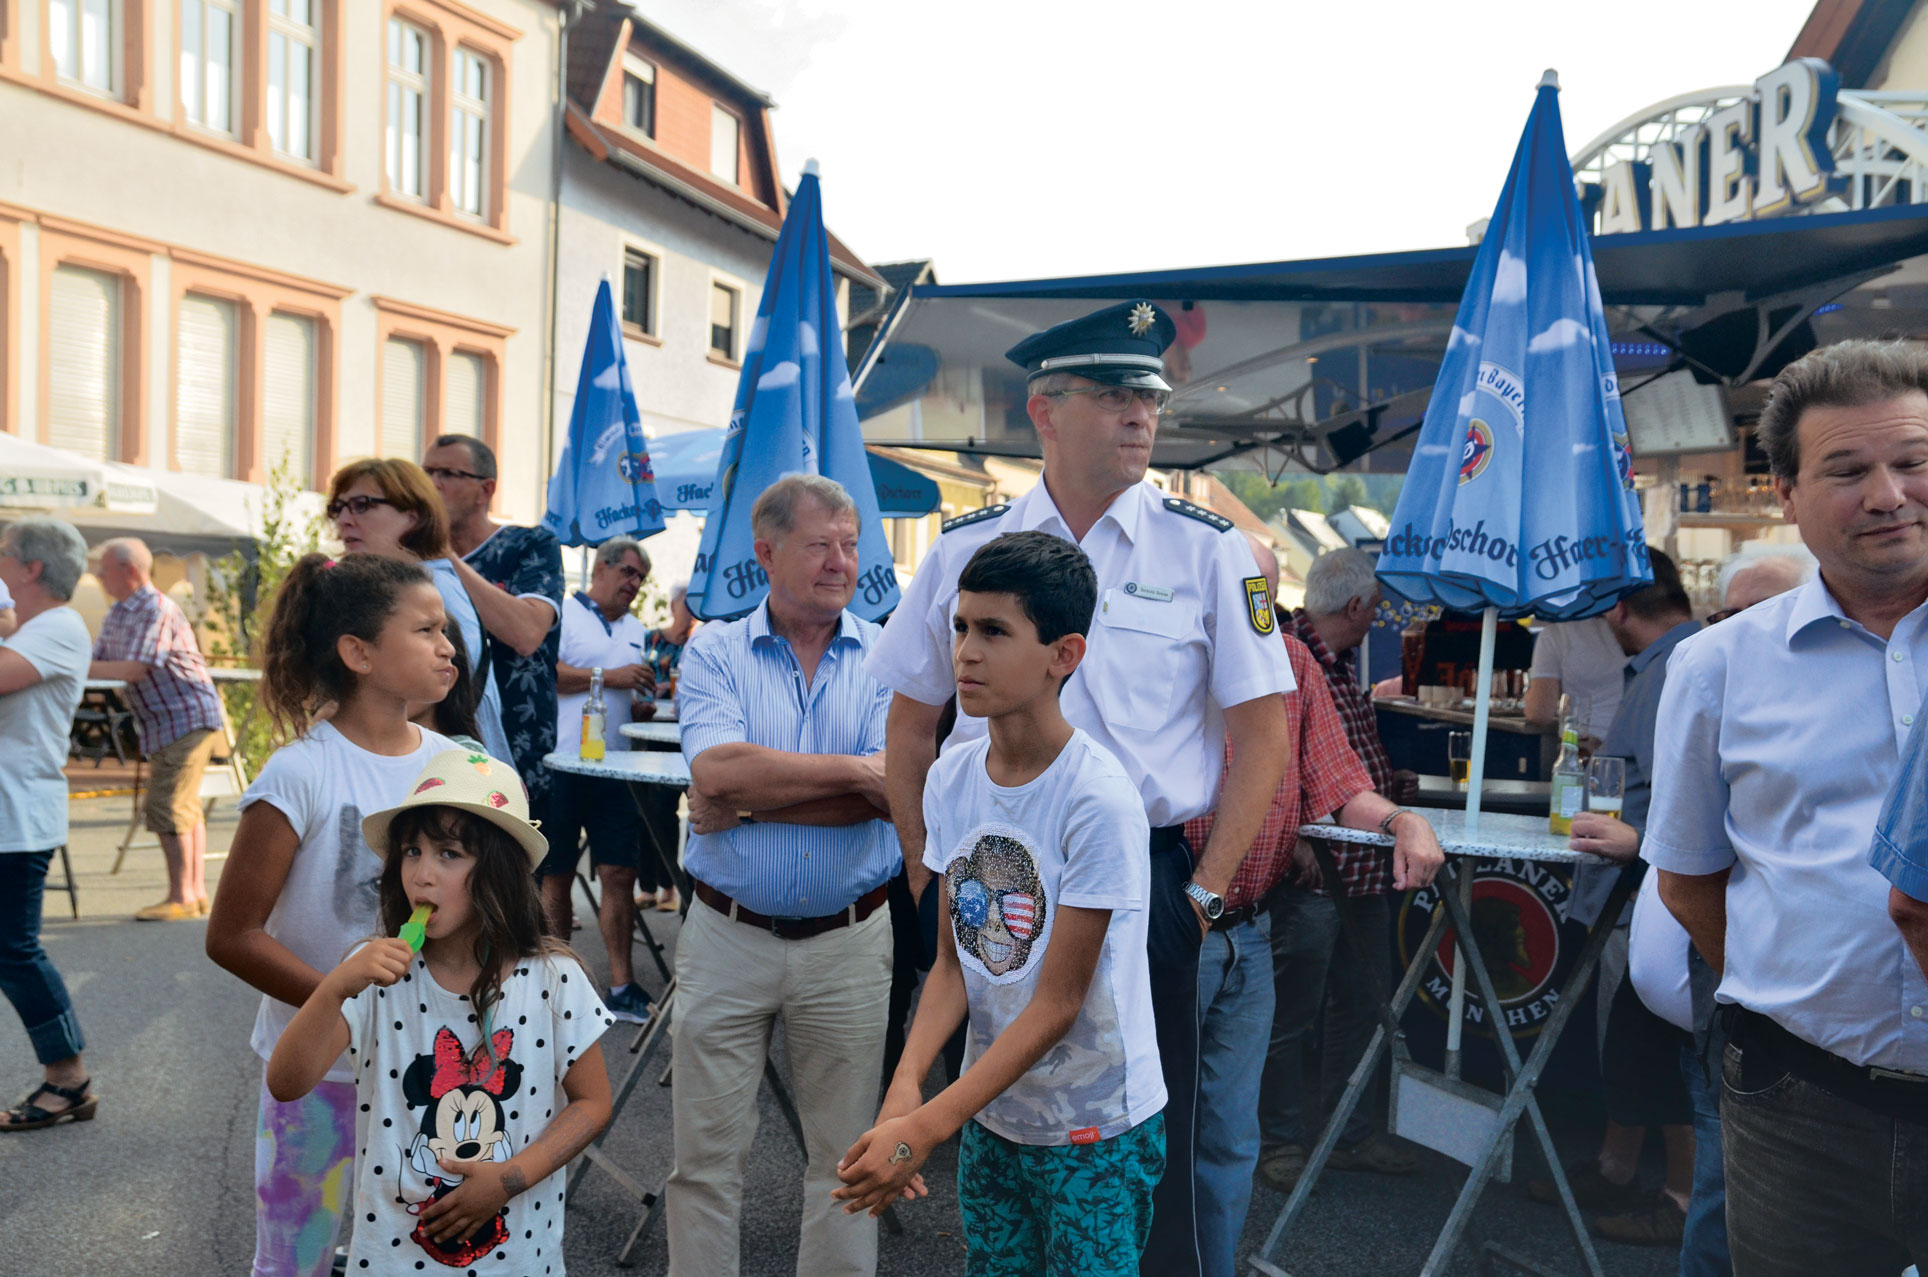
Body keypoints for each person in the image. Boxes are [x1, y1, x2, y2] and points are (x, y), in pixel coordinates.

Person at [867, 300, 1293, 1277]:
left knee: (1148, 1154)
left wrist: (1201, 896)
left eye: (1149, 396)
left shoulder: (1209, 549)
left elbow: (1263, 735)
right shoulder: (965, 550)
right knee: (1002, 1128)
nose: (1140, 414)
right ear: (1044, 410)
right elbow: (910, 722)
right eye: (1111, 394)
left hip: (1146, 878)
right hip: (993, 869)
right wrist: (923, 872)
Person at [1646, 339, 1928, 1275]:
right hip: (1800, 1112)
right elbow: (1689, 880)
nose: (1889, 494)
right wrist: (1801, 995)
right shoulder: (1718, 667)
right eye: (1848, 471)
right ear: (1787, 494)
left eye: (1913, 461)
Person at [834, 531, 1166, 1274]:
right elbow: (954, 964)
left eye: (993, 631)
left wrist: (928, 1124)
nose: (966, 652)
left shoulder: (1097, 798)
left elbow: (1059, 1004)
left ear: (1064, 654)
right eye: (960, 627)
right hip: (992, 1111)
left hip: (1093, 1126)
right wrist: (905, 1088)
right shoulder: (951, 777)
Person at [1186, 537, 1442, 1271]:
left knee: (1230, 1138)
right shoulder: (1169, 658)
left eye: (1265, 600)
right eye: (1242, 595)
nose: (1255, 614)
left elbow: (1339, 781)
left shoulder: (1293, 664)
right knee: (1156, 1120)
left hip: (1249, 926)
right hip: (1176, 921)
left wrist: (1400, 820)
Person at [205, 553, 460, 1276]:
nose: (447, 647)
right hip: (316, 1072)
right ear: (358, 653)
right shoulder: (300, 772)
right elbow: (232, 935)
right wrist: (338, 1002)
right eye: (426, 630)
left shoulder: (456, 768)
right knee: (295, 1259)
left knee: (427, 1256)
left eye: (444, 629)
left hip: (430, 1075)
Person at [265, 749, 615, 1274]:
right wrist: (332, 989)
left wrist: (508, 1179)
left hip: (518, 1259)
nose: (422, 875)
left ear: (498, 870)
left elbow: (592, 1103)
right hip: (392, 1259)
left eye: (449, 854)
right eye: (412, 851)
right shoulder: (374, 979)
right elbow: (286, 1082)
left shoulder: (554, 980)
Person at [669, 474, 897, 1277]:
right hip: (727, 934)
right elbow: (718, 770)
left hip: (849, 938)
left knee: (847, 1159)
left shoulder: (889, 655)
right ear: (765, 553)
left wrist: (749, 803)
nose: (841, 561)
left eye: (851, 544)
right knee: (703, 1159)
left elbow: (897, 791)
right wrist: (857, 774)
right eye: (820, 544)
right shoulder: (714, 648)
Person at [1536, 551, 1699, 1248]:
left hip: (1650, 899)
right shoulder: (1674, 661)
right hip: (1641, 897)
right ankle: (1617, 1166)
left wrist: (1632, 836)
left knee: (1663, 1047)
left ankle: (1681, 1198)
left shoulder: (1675, 667)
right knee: (1632, 1042)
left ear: (1618, 608)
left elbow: (1682, 797)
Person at [1258, 545, 1429, 1196]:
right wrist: (1297, 836)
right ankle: (1279, 1141)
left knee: (1360, 1006)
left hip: (1360, 865)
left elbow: (1335, 760)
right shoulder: (1285, 656)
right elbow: (1264, 759)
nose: (1376, 618)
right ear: (1355, 606)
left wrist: (1387, 787)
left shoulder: (1329, 658)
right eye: (1375, 608)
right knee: (1291, 1014)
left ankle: (1346, 1134)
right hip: (1317, 869)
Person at [538, 535, 658, 1027]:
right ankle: (554, 986)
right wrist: (611, 677)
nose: (634, 584)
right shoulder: (563, 614)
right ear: (600, 569)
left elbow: (628, 689)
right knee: (557, 876)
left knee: (620, 875)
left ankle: (621, 986)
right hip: (564, 763)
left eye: (641, 578)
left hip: (617, 768)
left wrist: (639, 706)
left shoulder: (636, 628)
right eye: (628, 572)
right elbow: (548, 674)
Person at [0, 519, 96, 1132]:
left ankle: (69, 1077)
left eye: (3, 554)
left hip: (16, 818)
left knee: (15, 951)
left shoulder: (59, 626)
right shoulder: (30, 628)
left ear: (31, 567)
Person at [327, 458, 513, 767]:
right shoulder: (395, 587)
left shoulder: (433, 586)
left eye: (362, 505)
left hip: (458, 777)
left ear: (413, 515)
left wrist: (339, 719)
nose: (345, 519)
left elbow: (437, 682)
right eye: (338, 508)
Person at [422, 435, 564, 828]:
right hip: (433, 746)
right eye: (426, 472)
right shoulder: (411, 557)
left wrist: (445, 556)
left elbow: (526, 633)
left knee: (513, 864)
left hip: (518, 748)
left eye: (447, 473)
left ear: (486, 489)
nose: (432, 483)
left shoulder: (531, 544)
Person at [88, 537, 226, 921]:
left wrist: (68, 663)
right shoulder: (118, 611)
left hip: (184, 715)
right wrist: (83, 664)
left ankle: (182, 896)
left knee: (168, 804)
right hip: (167, 719)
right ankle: (194, 894)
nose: (99, 577)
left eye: (104, 570)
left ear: (129, 570)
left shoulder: (156, 608)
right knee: (183, 805)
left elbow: (133, 668)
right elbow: (101, 662)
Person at [637, 581, 697, 913]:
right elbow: (639, 681)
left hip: (685, 732)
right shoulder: (652, 639)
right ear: (673, 605)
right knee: (654, 810)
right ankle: (649, 886)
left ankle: (675, 886)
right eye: (687, 603)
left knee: (693, 809)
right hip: (652, 728)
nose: (691, 610)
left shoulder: (698, 642)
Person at [1524, 614, 1625, 745]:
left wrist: (1529, 696)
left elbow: (1539, 713)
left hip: (1582, 745)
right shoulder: (1638, 629)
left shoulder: (1556, 633)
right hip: (1636, 745)